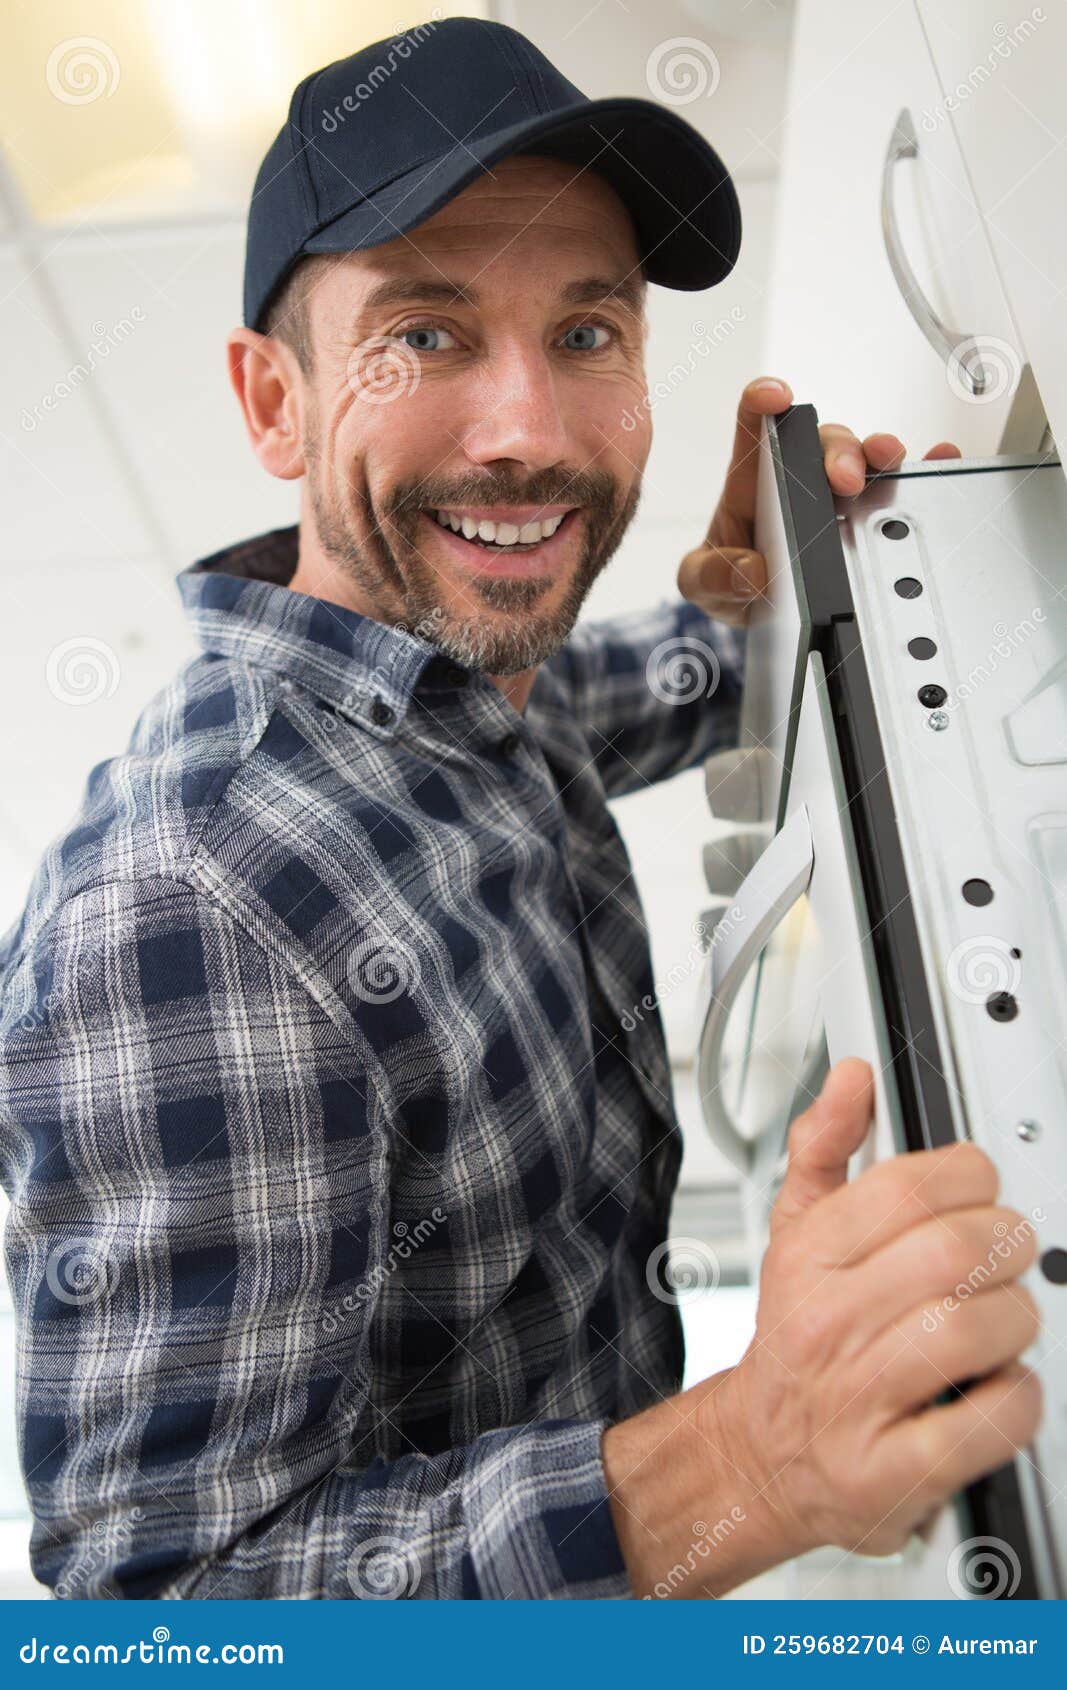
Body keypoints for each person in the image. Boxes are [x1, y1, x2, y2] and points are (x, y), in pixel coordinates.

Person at [0, 18, 1040, 1600]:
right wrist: (746, 1458)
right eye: (424, 335)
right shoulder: (182, 914)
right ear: (274, 401)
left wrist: (766, 619)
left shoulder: (445, 677)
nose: (532, 436)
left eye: (587, 332)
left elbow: (570, 706)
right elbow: (166, 1616)